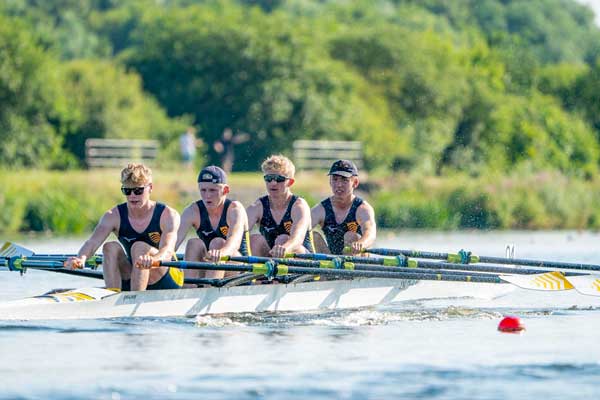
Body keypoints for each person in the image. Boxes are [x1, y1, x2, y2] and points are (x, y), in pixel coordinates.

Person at [65, 163, 183, 291]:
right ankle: (113, 296)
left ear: (150, 188)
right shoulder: (113, 216)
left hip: (167, 276)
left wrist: (153, 260)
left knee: (139, 247)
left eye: (138, 191)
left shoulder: (168, 215)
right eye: (127, 191)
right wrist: (81, 258)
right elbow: (92, 242)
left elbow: (167, 250)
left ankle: (135, 297)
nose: (132, 196)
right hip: (135, 272)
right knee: (109, 247)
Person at [175, 165, 250, 280]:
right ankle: (188, 288)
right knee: (193, 243)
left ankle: (208, 289)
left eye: (213, 190)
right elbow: (172, 244)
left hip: (239, 269)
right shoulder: (192, 211)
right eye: (203, 190)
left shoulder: (235, 209)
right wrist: (156, 256)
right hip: (210, 264)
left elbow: (234, 243)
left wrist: (221, 253)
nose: (207, 196)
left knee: (218, 243)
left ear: (225, 190)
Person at [246, 155, 314, 258]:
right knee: (255, 240)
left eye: (279, 179)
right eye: (268, 178)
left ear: (290, 182)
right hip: (272, 259)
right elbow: (237, 235)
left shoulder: (299, 206)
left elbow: (297, 239)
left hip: (303, 260)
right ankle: (260, 273)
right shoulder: (257, 207)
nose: (273, 183)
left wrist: (285, 248)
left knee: (283, 239)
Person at [311, 159, 376, 255]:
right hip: (331, 261)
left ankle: (347, 267)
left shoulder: (362, 209)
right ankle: (326, 268)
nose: (339, 185)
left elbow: (370, 233)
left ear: (355, 183)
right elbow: (298, 230)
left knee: (351, 236)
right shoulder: (320, 209)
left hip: (356, 261)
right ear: (330, 182)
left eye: (344, 180)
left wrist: (361, 243)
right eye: (335, 179)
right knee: (312, 236)